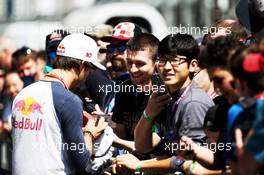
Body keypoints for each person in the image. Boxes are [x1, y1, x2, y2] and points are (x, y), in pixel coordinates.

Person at [113, 33, 214, 174]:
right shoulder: (166, 97)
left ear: (193, 65)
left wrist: (139, 165)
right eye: (162, 60)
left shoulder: (193, 103)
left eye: (175, 61)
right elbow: (142, 146)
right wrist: (149, 112)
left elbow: (189, 160)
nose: (166, 67)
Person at [12, 33, 108, 175]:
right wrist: (90, 134)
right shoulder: (69, 100)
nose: (90, 74)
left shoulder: (23, 94)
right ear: (82, 65)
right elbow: (81, 161)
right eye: (91, 68)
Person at [111, 33, 159, 149]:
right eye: (129, 62)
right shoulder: (125, 87)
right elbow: (120, 130)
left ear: (156, 63)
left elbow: (149, 145)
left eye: (140, 64)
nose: (132, 69)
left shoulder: (162, 93)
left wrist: (113, 140)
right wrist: (101, 120)